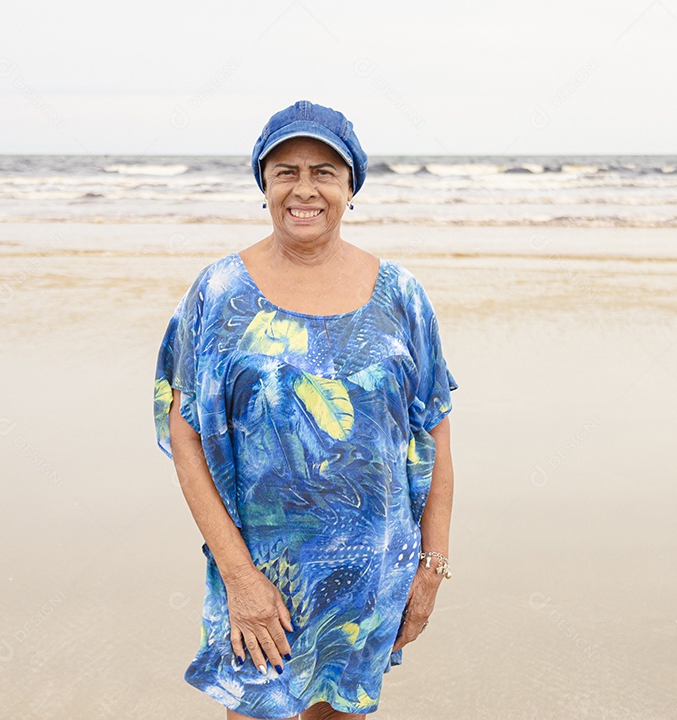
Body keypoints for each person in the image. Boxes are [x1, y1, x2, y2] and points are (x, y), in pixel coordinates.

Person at [153, 100, 458, 720]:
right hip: (262, 574)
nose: (304, 188)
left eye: (324, 171)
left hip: (371, 571)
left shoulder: (402, 296)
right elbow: (184, 437)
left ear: (352, 186)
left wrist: (432, 567)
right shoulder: (217, 293)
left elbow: (435, 435)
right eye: (285, 170)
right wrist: (240, 578)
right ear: (263, 184)